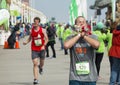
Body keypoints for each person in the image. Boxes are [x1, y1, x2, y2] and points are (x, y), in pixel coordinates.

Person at [64, 16, 100, 85]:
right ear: (75, 25)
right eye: (79, 22)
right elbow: (66, 46)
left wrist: (84, 36)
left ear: (86, 25)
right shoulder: (71, 37)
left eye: (83, 22)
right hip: (75, 77)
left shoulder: (92, 36)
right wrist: (79, 35)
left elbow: (96, 45)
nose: (81, 24)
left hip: (90, 78)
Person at [23, 17, 48, 84]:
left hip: (42, 49)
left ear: (39, 23)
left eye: (37, 22)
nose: (35, 23)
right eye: (35, 22)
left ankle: (41, 67)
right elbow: (30, 38)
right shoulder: (32, 30)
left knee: (42, 63)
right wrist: (26, 42)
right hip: (34, 49)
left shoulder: (42, 30)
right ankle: (35, 79)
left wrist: (43, 45)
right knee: (35, 63)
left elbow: (46, 39)